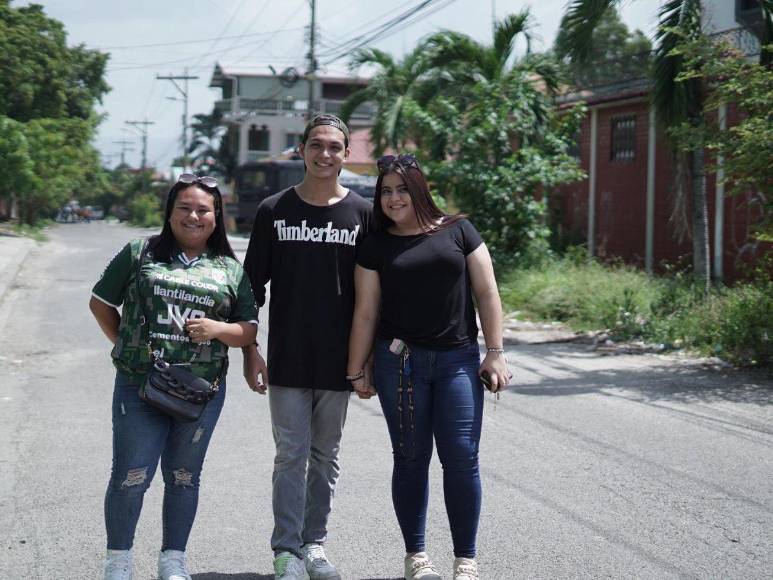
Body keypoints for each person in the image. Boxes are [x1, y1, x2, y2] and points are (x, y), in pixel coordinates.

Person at [346, 154, 511, 580]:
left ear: (420, 189)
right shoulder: (376, 244)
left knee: (461, 457)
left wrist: (495, 352)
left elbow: (487, 293)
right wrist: (356, 369)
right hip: (399, 365)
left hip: (457, 359)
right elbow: (366, 312)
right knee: (410, 458)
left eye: (402, 189)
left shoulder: (459, 230)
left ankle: (466, 560)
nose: (394, 198)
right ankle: (416, 557)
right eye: (385, 192)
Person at [89, 174, 259, 580]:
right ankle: (118, 563)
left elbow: (248, 329)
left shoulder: (229, 269)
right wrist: (129, 347)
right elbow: (100, 303)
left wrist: (218, 330)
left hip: (200, 393)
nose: (194, 216)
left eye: (203, 209)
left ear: (217, 217)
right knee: (131, 477)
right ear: (169, 213)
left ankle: (173, 561)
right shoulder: (140, 252)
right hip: (140, 386)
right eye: (184, 207)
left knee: (184, 478)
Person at [242, 114, 372, 580]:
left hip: (340, 361)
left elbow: (373, 294)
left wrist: (367, 361)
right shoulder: (273, 210)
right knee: (290, 454)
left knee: (325, 456)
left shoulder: (362, 213)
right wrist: (250, 349)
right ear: (301, 150)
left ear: (346, 154)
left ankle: (314, 544)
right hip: (289, 357)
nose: (325, 154)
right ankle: (286, 549)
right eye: (316, 145)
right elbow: (250, 289)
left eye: (335, 147)